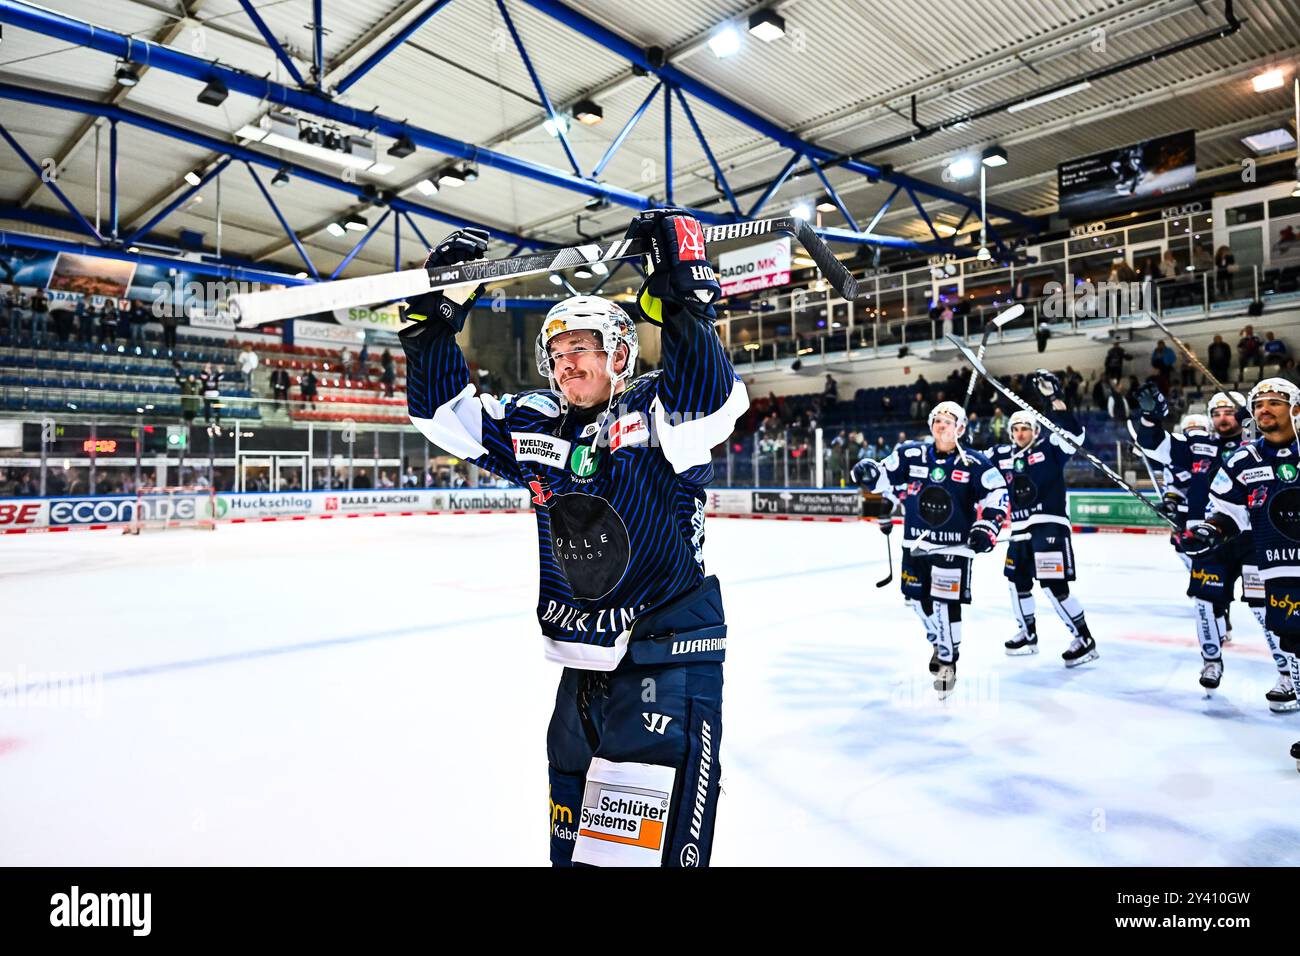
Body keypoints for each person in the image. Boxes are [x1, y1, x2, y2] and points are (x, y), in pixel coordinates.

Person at [399, 212, 747, 867]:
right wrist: (430, 328)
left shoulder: (653, 410)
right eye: (557, 355)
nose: (565, 363)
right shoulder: (538, 427)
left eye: (580, 349)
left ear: (619, 353)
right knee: (576, 857)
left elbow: (712, 404)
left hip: (665, 663)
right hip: (581, 674)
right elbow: (447, 419)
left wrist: (683, 298)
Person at [1132, 384, 1294, 709]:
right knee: (1204, 602)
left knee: (1267, 608)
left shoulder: (1258, 442)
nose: (1222, 418)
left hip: (1253, 539)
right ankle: (1211, 660)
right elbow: (1154, 446)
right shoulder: (1198, 445)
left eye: (1228, 412)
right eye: (1216, 413)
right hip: (1212, 537)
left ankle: (1287, 673)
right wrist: (1151, 417)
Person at [852, 400, 1008, 698]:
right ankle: (939, 641)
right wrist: (870, 472)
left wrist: (987, 527)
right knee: (917, 600)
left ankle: (948, 660)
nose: (942, 422)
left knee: (945, 604)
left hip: (955, 545)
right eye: (937, 418)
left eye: (949, 419)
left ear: (960, 428)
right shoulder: (912, 454)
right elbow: (884, 476)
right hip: (916, 543)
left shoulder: (975, 463)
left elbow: (997, 494)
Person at [1184, 377, 1300, 769]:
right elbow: (1229, 511)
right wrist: (1210, 531)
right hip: (1279, 568)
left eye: (1275, 402)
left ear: (1296, 408)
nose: (1265, 408)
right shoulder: (1242, 460)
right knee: (1296, 645)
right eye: (1259, 403)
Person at [989, 371, 1098, 665]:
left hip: (1048, 524)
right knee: (1017, 582)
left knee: (1053, 586)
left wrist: (1055, 400)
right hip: (1019, 530)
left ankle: (1084, 639)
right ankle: (1028, 633)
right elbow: (973, 464)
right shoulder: (1002, 455)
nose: (1020, 433)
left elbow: (1074, 436)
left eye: (1025, 428)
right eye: (1016, 429)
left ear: (1036, 431)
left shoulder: (1050, 447)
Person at [199, 362, 222, 434]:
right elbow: (203, 376)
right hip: (207, 395)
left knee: (217, 407)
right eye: (208, 370)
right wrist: (206, 368)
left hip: (215, 395)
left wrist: (220, 370)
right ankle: (207, 419)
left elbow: (220, 376)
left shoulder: (215, 377)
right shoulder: (205, 377)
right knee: (207, 408)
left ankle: (217, 419)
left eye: (210, 370)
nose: (209, 371)